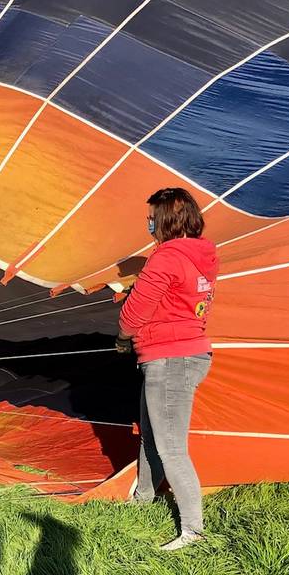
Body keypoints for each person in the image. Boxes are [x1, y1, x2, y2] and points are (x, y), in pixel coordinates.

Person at [115, 187, 218, 551]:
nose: (148, 223)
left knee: (172, 447)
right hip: (185, 354)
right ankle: (143, 499)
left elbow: (134, 314)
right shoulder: (202, 256)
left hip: (169, 360)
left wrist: (124, 332)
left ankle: (193, 532)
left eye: (151, 217)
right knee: (150, 435)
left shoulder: (165, 258)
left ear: (164, 219)